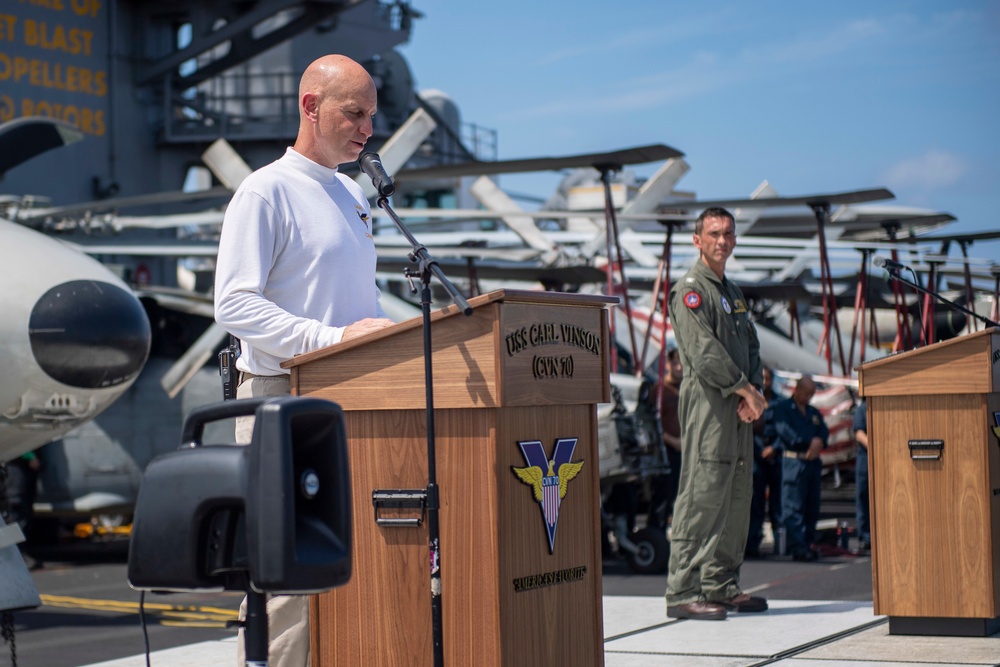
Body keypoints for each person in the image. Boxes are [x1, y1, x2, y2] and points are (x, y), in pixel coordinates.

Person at [214, 54, 395, 667]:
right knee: (285, 576)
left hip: (350, 395)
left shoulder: (350, 192)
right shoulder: (265, 190)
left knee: (346, 561)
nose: (369, 127)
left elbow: (353, 303)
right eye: (355, 112)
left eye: (372, 114)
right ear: (310, 106)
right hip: (281, 397)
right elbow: (235, 304)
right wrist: (331, 340)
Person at [664, 207, 768, 621]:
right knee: (702, 494)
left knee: (737, 494)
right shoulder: (691, 290)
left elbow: (754, 346)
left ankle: (721, 584)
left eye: (728, 233)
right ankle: (683, 590)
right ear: (698, 240)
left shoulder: (733, 293)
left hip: (741, 406)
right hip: (709, 407)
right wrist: (747, 390)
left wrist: (754, 392)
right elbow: (704, 353)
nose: (722, 240)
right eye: (713, 233)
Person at [765, 375, 829, 562]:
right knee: (793, 507)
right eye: (806, 393)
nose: (808, 397)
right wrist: (812, 442)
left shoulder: (813, 412)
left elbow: (823, 431)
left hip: (811, 464)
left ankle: (808, 544)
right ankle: (798, 547)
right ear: (797, 390)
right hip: (794, 462)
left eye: (812, 394)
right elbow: (787, 434)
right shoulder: (783, 409)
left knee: (812, 506)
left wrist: (819, 442)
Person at [747, 366, 781, 558]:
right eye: (763, 378)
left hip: (775, 457)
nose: (766, 382)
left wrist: (774, 448)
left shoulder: (780, 403)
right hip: (757, 457)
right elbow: (748, 428)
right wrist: (761, 450)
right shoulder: (752, 399)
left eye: (769, 379)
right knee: (756, 503)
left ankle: (780, 543)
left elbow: (784, 430)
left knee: (777, 504)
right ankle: (752, 544)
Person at [657, 347, 683, 530]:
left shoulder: (688, 389)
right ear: (668, 364)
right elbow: (652, 423)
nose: (680, 367)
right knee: (663, 496)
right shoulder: (658, 391)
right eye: (675, 362)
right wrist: (672, 441)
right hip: (665, 452)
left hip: (686, 452)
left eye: (682, 363)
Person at [853, 399, 870, 554]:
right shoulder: (862, 409)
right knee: (864, 498)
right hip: (866, 460)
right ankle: (865, 537)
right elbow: (859, 434)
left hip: (882, 460)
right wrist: (876, 446)